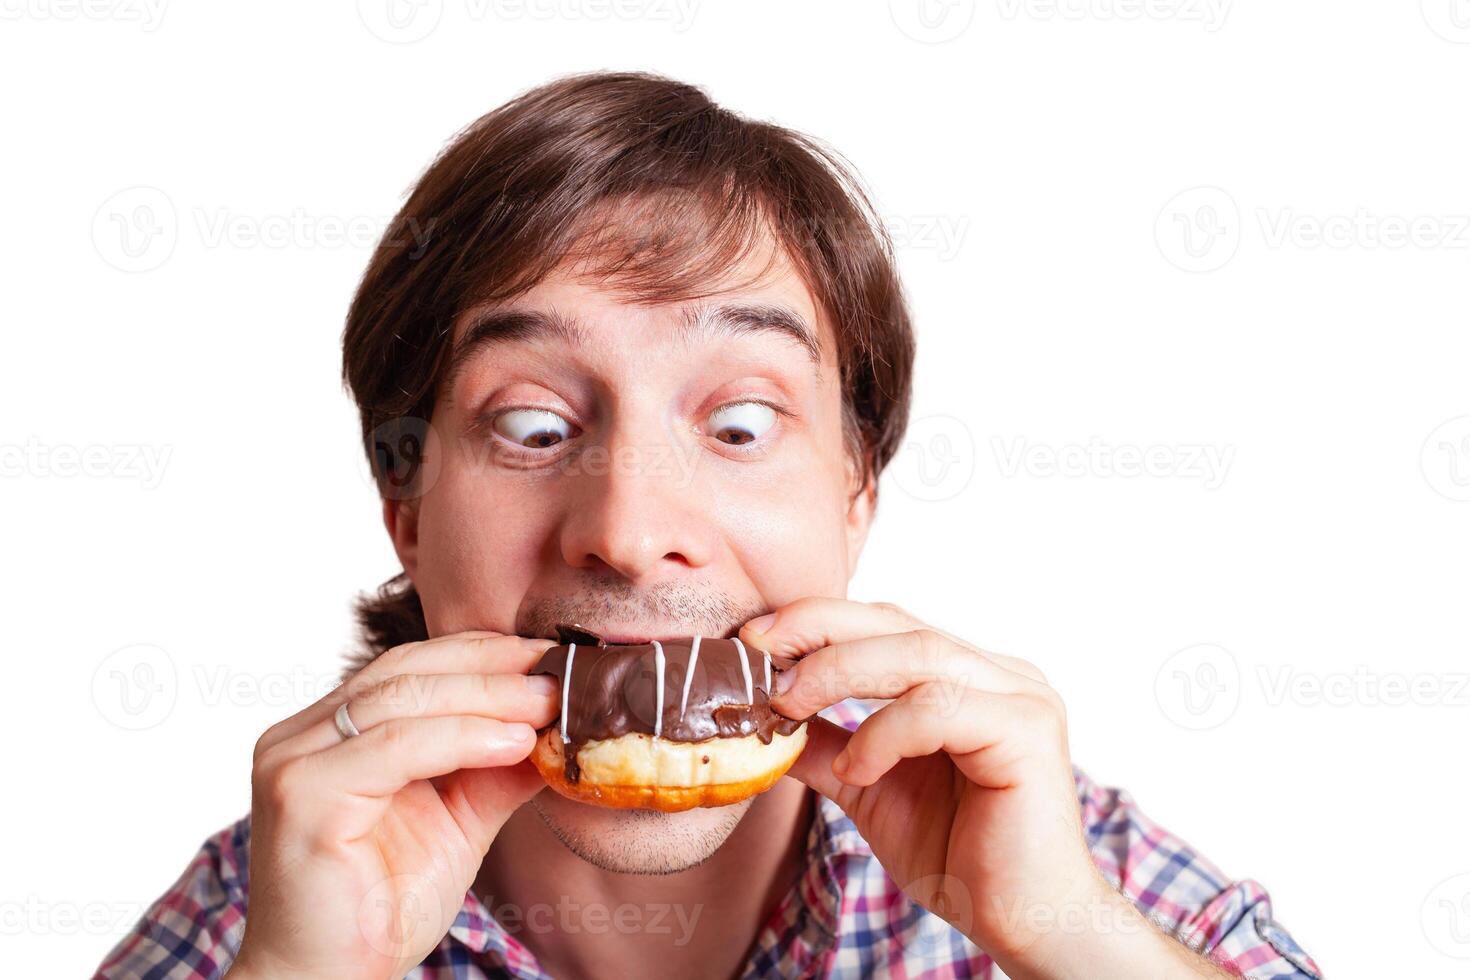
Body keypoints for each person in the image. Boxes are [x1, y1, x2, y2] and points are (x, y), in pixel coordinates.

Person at [97, 71, 1320, 980]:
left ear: (859, 494)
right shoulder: (278, 905)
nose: (628, 530)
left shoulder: (1057, 859)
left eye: (738, 423)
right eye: (530, 425)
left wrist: (1065, 932)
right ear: (404, 508)